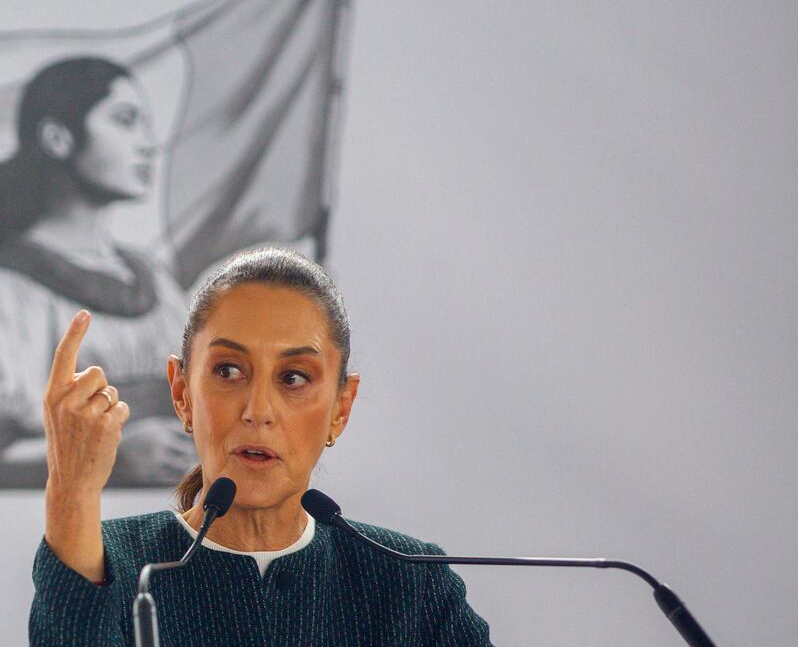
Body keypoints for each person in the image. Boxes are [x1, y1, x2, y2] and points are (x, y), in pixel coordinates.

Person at [30, 247, 493, 645]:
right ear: (182, 393)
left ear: (341, 407)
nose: (258, 411)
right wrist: (72, 489)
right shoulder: (116, 567)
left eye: (293, 378)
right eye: (228, 371)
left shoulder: (410, 584)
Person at [0, 57, 196, 488]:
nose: (148, 144)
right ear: (58, 138)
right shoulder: (1, 288)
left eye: (146, 125)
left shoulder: (154, 280)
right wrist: (110, 457)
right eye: (125, 121)